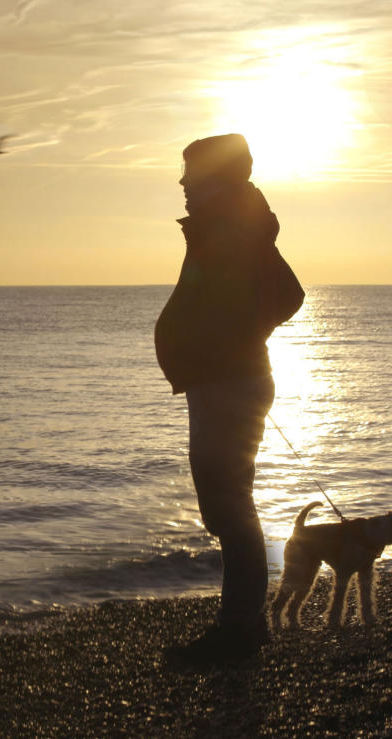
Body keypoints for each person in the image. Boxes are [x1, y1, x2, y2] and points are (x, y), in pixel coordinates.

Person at [155, 134, 304, 661]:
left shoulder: (233, 228)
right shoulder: (227, 226)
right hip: (220, 382)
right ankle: (243, 624)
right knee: (228, 507)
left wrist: (234, 340)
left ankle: (240, 629)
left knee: (230, 507)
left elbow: (289, 295)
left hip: (229, 383)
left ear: (216, 179)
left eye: (190, 174)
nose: (182, 185)